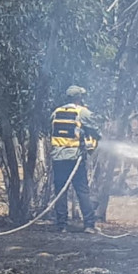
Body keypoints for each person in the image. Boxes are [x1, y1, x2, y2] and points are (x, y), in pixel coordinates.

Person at [50, 85, 101, 233]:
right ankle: (89, 225)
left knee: (61, 191)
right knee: (82, 191)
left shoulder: (56, 112)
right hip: (75, 158)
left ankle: (62, 225)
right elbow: (96, 129)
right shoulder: (82, 112)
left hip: (58, 158)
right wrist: (93, 140)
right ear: (79, 98)